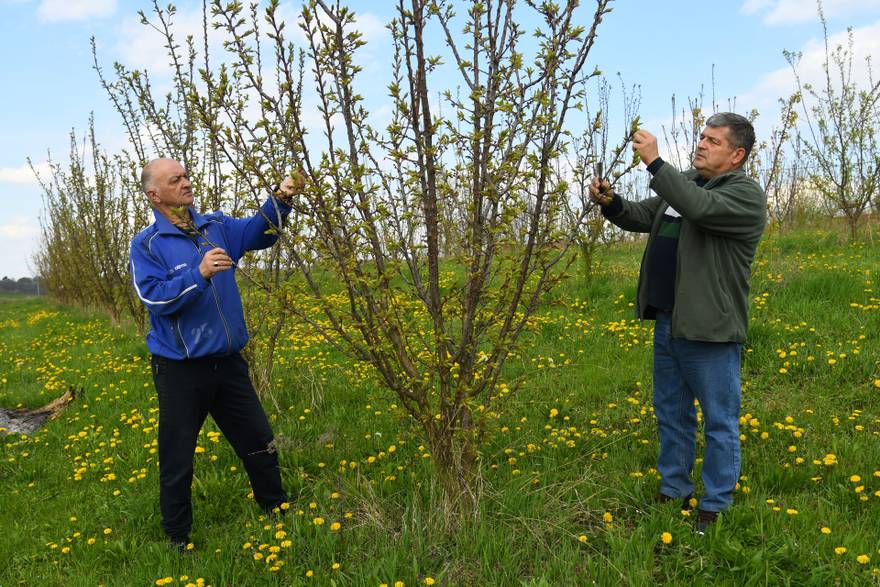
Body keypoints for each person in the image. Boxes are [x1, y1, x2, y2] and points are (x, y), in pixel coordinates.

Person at [590, 113, 766, 533]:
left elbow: (699, 209)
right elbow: (642, 215)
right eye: (702, 137)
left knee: (719, 420)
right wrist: (612, 202)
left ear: (737, 155)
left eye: (714, 141)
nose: (701, 144)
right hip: (669, 319)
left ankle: (716, 504)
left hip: (710, 327)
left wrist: (655, 163)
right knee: (671, 412)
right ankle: (675, 489)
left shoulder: (744, 194)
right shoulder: (687, 183)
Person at [129, 158, 303, 550]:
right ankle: (177, 536)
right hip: (180, 369)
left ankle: (276, 510)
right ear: (154, 194)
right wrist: (200, 273)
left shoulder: (216, 226)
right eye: (175, 179)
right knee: (177, 457)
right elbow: (154, 298)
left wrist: (282, 197)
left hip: (227, 363)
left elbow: (260, 232)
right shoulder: (147, 245)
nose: (186, 183)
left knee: (258, 440)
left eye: (186, 175)